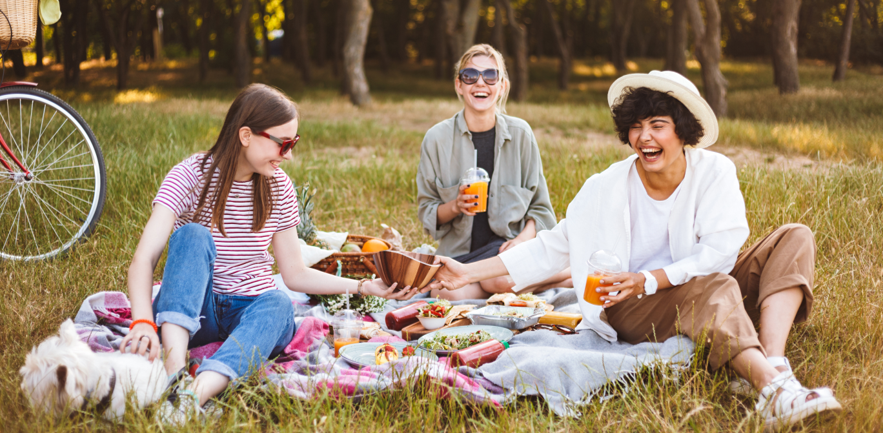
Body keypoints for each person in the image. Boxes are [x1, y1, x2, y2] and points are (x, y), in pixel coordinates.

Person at [430, 71, 842, 429]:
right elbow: (550, 249)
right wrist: (468, 273)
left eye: (658, 125)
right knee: (712, 287)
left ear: (683, 130)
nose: (645, 137)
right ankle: (772, 387)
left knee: (795, 236)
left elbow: (721, 250)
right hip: (629, 305)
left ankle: (775, 369)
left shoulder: (715, 172)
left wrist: (650, 279)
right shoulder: (605, 187)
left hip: (688, 286)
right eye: (636, 126)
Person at [120, 84, 418, 424]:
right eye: (283, 143)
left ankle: (195, 393)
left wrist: (363, 287)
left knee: (278, 303)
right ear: (246, 135)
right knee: (191, 235)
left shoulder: (278, 187)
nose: (289, 155)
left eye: (295, 143)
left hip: (251, 311)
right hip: (193, 312)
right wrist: (142, 321)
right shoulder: (190, 175)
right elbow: (144, 259)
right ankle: (173, 375)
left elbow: (294, 274)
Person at [416, 44, 569, 300]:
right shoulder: (436, 139)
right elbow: (427, 213)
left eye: (490, 75)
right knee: (448, 295)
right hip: (461, 258)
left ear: (502, 86)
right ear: (459, 85)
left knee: (500, 277)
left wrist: (521, 242)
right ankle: (563, 278)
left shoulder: (521, 135)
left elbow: (541, 209)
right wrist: (456, 206)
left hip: (508, 250)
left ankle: (556, 275)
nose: (480, 83)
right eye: (470, 75)